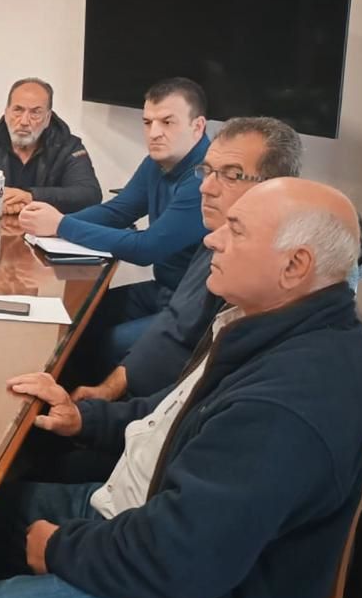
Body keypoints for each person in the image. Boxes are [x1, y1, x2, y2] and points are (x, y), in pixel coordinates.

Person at [0, 178, 362, 598]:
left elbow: (179, 558)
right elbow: (174, 419)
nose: (212, 239)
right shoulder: (271, 326)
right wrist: (86, 419)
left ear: (294, 266)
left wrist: (58, 549)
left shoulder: (287, 401)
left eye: (236, 231)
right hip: (148, 519)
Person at [69, 116, 302, 404]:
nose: (206, 187)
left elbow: (186, 359)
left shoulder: (265, 275)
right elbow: (175, 320)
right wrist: (103, 397)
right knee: (85, 315)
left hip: (169, 411)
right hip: (154, 401)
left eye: (231, 175)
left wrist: (105, 404)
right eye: (206, 171)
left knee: (108, 342)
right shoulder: (216, 235)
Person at [20, 78, 210, 377]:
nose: (154, 133)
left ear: (197, 126)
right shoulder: (157, 162)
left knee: (110, 343)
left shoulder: (205, 178)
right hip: (162, 289)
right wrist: (50, 225)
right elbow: (118, 211)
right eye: (147, 122)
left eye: (167, 122)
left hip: (192, 306)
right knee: (80, 317)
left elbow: (148, 248)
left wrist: (61, 224)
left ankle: (87, 402)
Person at [0, 77, 102, 214]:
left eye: (35, 112)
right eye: (18, 110)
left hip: (46, 233)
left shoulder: (68, 146)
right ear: (6, 112)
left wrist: (31, 196)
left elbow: (89, 194)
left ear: (48, 118)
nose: (24, 121)